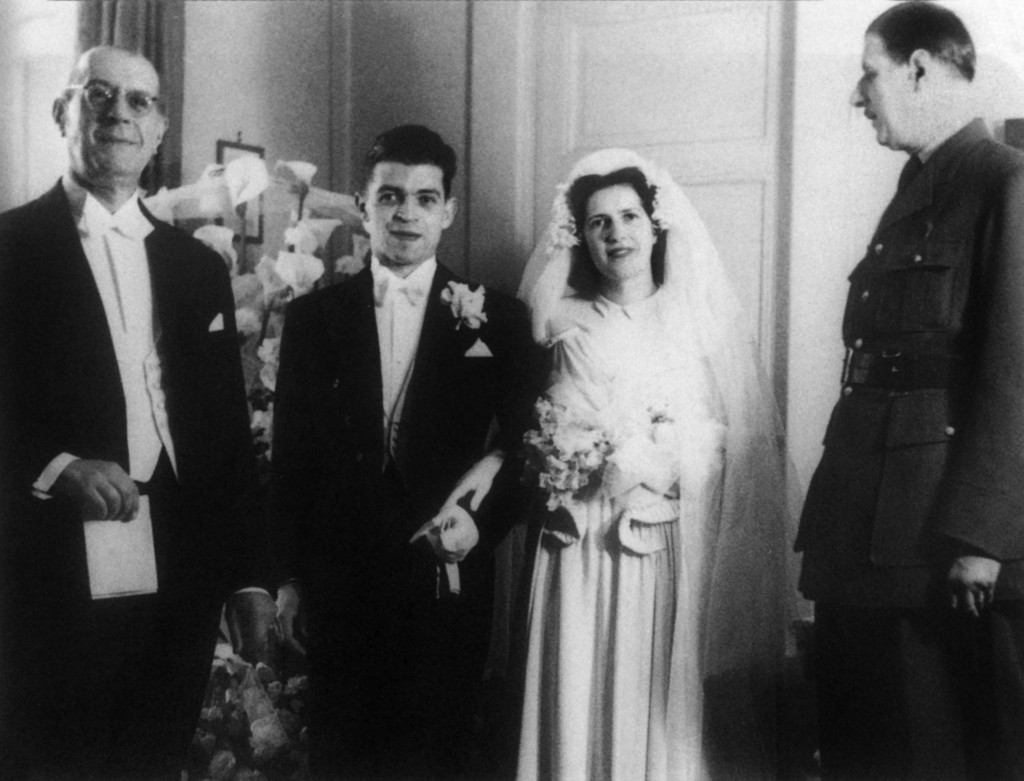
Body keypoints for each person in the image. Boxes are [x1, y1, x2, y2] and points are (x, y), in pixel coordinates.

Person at [0, 47, 265, 780]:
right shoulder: (10, 248)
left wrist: (248, 577)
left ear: (159, 130)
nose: (119, 112)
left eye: (139, 102)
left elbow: (225, 432)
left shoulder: (199, 267)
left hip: (183, 559)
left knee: (153, 755)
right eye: (99, 94)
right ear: (64, 112)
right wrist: (58, 466)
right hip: (50, 564)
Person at [270, 124, 543, 778]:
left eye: (425, 198)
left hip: (444, 580)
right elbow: (291, 461)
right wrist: (287, 577)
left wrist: (479, 523)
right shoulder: (314, 319)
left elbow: (530, 449)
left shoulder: (498, 319)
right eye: (389, 196)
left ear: (448, 211)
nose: (406, 214)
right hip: (339, 584)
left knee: (437, 757)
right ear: (363, 206)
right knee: (341, 756)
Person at [796, 4, 1024, 779]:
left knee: (938, 749)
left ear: (920, 67)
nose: (858, 96)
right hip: (869, 525)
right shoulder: (921, 185)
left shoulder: (1004, 181)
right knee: (871, 744)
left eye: (869, 72)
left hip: (937, 537)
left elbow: (1013, 369)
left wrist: (981, 538)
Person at [515, 149, 792, 781]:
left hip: (663, 536)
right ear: (579, 237)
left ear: (655, 224)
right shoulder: (555, 317)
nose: (616, 234)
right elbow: (525, 427)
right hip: (578, 540)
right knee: (577, 677)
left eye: (629, 216)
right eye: (598, 223)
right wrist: (568, 453)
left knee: (654, 688)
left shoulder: (695, 319)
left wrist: (662, 456)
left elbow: (728, 437)